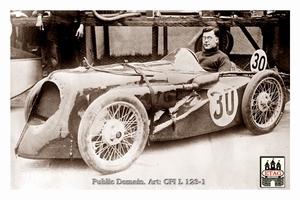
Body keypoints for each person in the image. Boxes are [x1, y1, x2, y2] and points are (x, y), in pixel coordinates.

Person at [33, 10, 86, 76]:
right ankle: (53, 80)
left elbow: (81, 12)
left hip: (70, 26)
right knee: (53, 56)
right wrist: (39, 17)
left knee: (70, 59)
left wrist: (81, 25)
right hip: (54, 24)